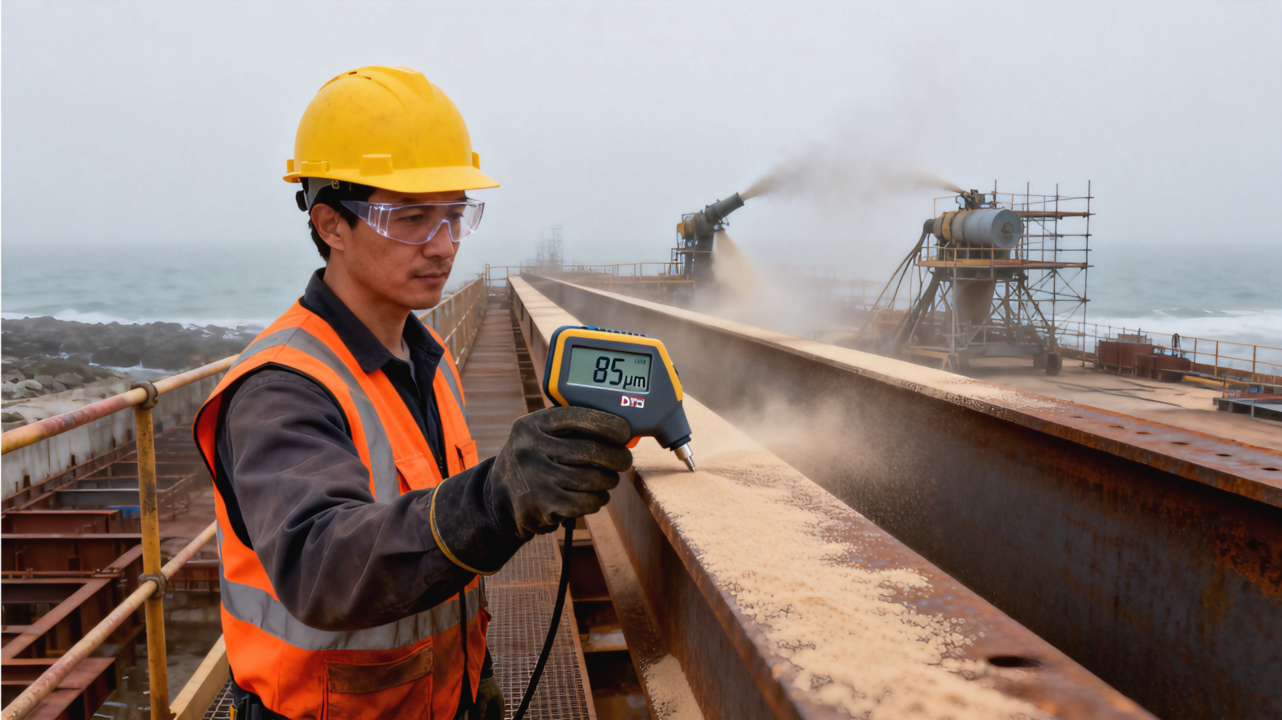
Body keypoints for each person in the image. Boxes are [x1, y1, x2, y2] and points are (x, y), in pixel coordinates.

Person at [192, 66, 634, 720]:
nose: (444, 246)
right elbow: (322, 564)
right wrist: (498, 495)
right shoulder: (281, 388)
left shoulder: (426, 356)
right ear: (331, 224)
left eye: (455, 216)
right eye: (411, 218)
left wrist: (468, 688)